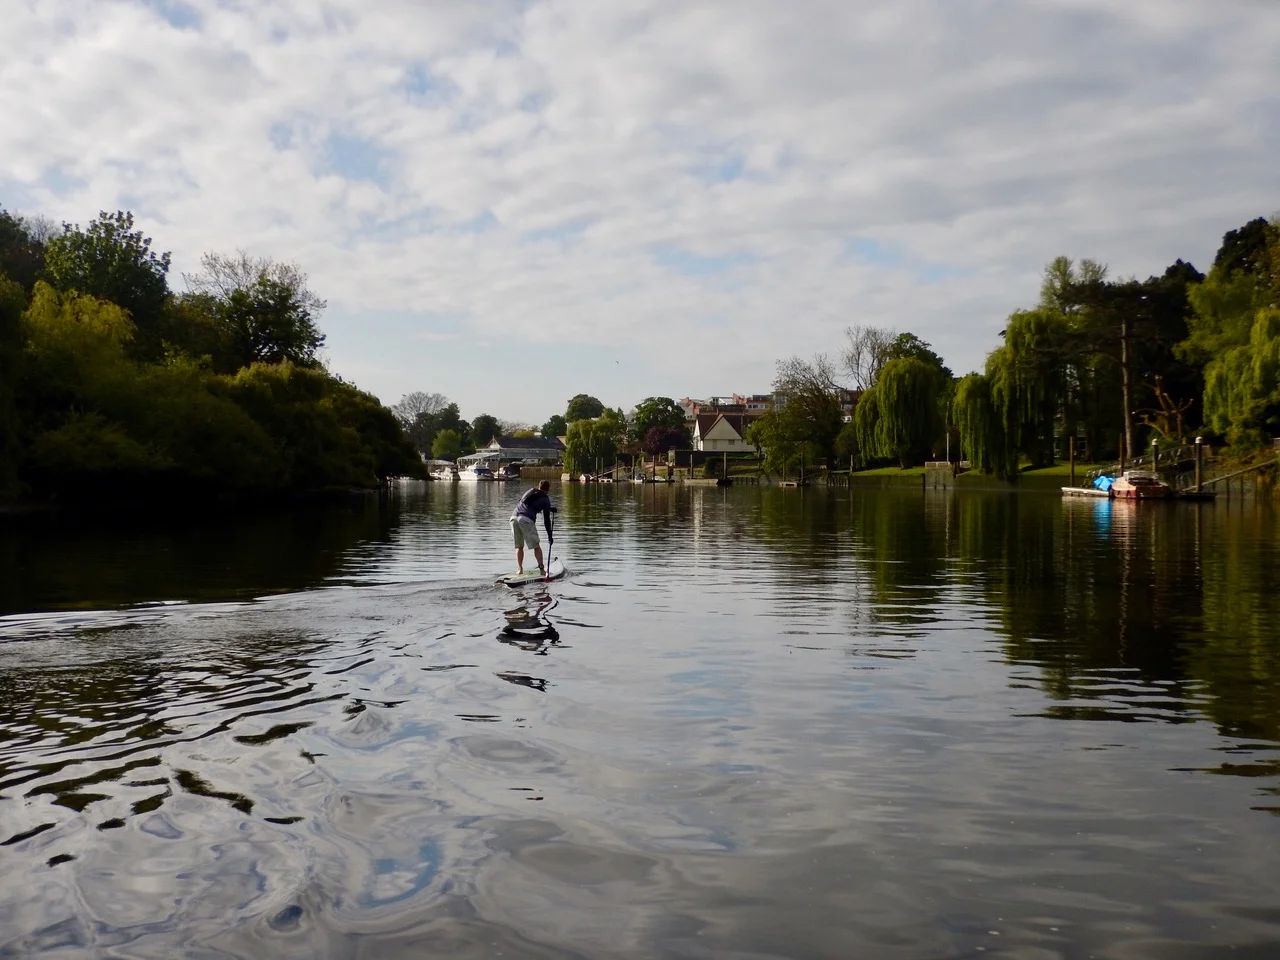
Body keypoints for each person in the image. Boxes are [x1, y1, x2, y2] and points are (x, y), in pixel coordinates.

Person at [510, 480, 556, 576]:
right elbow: (546, 520)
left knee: (519, 546)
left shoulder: (530, 491)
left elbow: (529, 503)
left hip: (513, 518)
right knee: (536, 547)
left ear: (538, 486)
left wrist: (549, 508)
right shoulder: (545, 499)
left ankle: (520, 569)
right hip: (526, 519)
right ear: (548, 490)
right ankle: (542, 570)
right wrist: (550, 536)